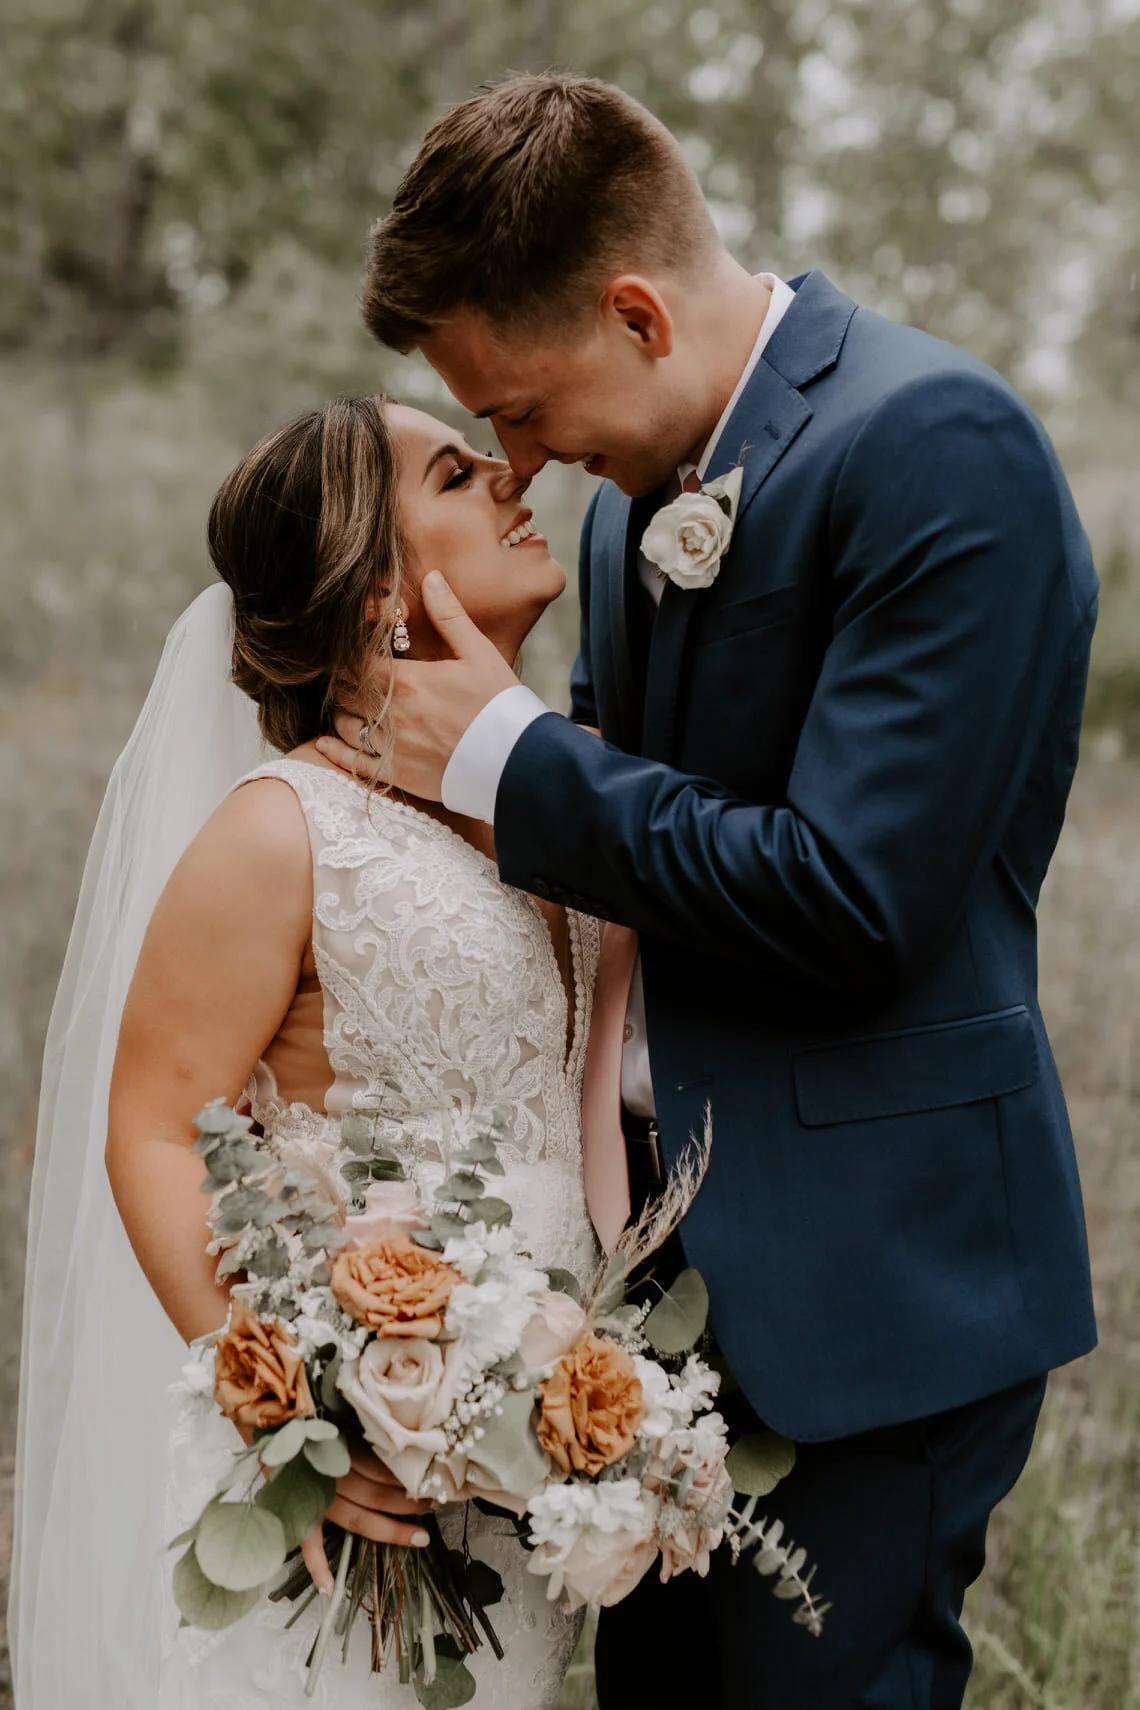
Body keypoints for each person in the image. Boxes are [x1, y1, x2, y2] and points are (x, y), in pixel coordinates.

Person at [320, 73, 1101, 1708]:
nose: (520, 461)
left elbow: (854, 897)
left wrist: (513, 758)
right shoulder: (630, 515)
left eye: (520, 407)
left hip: (872, 1287)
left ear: (634, 313)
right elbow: (617, 864)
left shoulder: (936, 446)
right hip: (653, 1312)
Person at [12, 395, 598, 1707]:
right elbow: (153, 1128)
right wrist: (292, 1416)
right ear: (379, 589)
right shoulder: (283, 829)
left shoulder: (557, 800)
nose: (511, 474)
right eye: (456, 473)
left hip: (517, 1482)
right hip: (340, 1504)